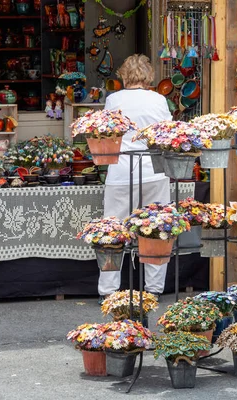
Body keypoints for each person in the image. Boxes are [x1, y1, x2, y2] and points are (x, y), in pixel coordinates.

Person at [99, 54, 171, 301]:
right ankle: (153, 288)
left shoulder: (114, 99)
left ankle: (108, 290)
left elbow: (108, 132)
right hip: (154, 170)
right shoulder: (159, 99)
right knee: (156, 228)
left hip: (121, 170)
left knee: (113, 230)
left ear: (124, 75)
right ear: (148, 76)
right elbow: (166, 133)